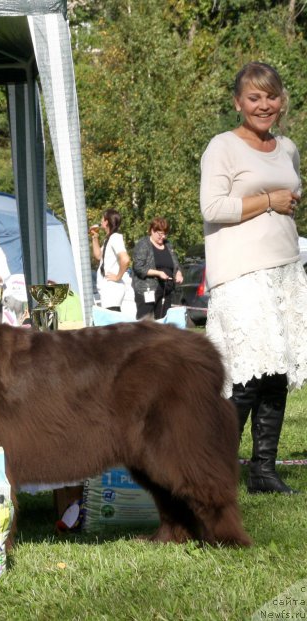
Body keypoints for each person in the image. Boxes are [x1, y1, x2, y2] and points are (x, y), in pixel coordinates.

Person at [200, 61, 307, 494]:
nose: (264, 105)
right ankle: (217, 470)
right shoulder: (222, 147)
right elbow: (212, 208)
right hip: (242, 276)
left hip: (284, 273)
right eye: (254, 97)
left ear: (282, 101)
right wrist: (268, 201)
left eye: (271, 96)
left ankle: (263, 470)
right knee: (245, 375)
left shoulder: (289, 148)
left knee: (276, 373)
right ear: (238, 103)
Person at [131, 217, 184, 319]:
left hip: (166, 291)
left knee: (163, 324)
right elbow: (138, 267)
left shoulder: (168, 245)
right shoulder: (143, 244)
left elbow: (176, 264)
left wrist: (178, 273)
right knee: (146, 324)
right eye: (160, 234)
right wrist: (158, 273)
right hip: (147, 290)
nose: (163, 237)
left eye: (165, 234)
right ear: (152, 230)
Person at [89, 208, 130, 312]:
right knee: (111, 320)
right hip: (108, 288)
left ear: (106, 222)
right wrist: (95, 237)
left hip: (113, 288)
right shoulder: (109, 239)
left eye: (102, 219)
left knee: (112, 322)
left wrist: (117, 277)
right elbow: (98, 256)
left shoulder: (115, 237)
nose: (101, 221)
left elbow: (125, 259)